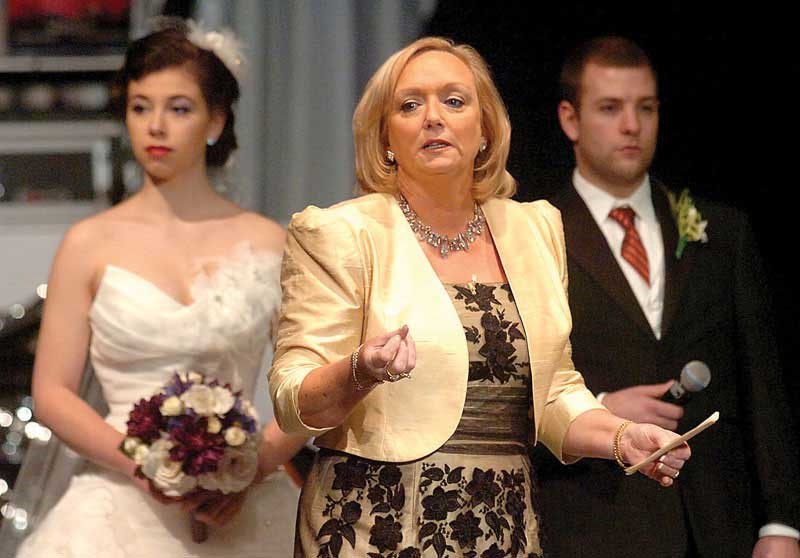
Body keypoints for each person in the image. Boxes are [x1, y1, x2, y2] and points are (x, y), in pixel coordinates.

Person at [268, 36, 690, 558]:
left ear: (485, 130)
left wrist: (622, 439)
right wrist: (360, 368)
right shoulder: (341, 233)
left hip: (502, 526)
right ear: (385, 138)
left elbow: (553, 392)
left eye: (453, 100)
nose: (432, 118)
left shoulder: (535, 229)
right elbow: (293, 400)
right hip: (374, 525)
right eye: (409, 105)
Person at [15, 20, 306, 557]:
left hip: (245, 504)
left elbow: (311, 384)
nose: (156, 127)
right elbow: (54, 392)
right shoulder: (88, 243)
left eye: (179, 108)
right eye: (140, 106)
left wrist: (253, 464)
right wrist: (146, 466)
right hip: (116, 507)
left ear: (215, 120)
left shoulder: (270, 241)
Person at [532, 35, 800, 557]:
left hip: (718, 526)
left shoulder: (720, 232)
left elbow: (763, 388)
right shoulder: (537, 235)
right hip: (594, 523)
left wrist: (781, 525)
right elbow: (520, 391)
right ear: (570, 120)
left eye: (645, 108)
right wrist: (602, 409)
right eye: (610, 109)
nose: (631, 125)